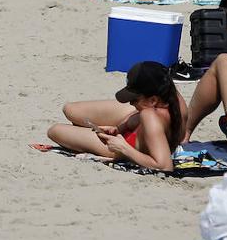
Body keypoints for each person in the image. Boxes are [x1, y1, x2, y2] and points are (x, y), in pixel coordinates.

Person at [46, 61, 184, 172]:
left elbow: (165, 166)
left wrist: (123, 148)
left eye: (134, 99)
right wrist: (119, 128)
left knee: (55, 130)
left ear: (153, 100)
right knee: (70, 109)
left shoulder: (151, 117)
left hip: (122, 147)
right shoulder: (172, 97)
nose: (130, 102)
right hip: (133, 130)